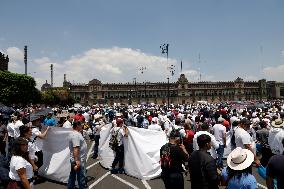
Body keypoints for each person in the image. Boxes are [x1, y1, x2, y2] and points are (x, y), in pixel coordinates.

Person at [67, 121, 88, 189]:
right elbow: (75, 148)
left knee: (72, 175)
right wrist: (77, 160)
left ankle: (70, 187)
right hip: (78, 159)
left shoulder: (76, 133)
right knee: (80, 177)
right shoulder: (75, 135)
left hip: (77, 159)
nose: (82, 126)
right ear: (77, 126)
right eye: (81, 125)